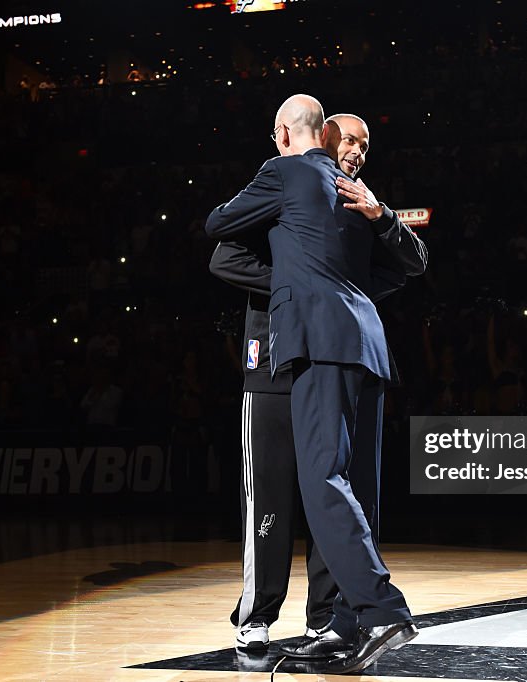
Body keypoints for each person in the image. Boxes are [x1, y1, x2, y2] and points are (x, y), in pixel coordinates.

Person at [205, 94, 420, 673]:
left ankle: (341, 619)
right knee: (281, 492)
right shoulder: (288, 183)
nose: (355, 152)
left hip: (330, 346)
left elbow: (410, 263)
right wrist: (296, 278)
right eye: (346, 140)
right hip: (278, 353)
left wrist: (380, 219)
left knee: (341, 487)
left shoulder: (355, 201)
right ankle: (259, 616)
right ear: (321, 137)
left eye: (364, 147)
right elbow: (223, 253)